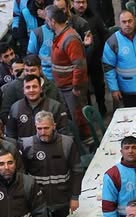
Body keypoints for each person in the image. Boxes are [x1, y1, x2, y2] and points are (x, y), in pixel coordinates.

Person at [19, 110, 82, 217]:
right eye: (39, 128)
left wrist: (75, 197)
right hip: (39, 201)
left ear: (54, 126)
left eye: (46, 128)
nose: (43, 132)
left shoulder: (67, 143)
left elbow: (77, 171)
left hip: (62, 199)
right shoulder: (27, 144)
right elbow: (22, 175)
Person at [45, 6, 89, 142]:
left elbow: (79, 65)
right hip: (64, 86)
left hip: (72, 88)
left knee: (79, 118)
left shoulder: (70, 39)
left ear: (52, 21)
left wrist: (76, 86)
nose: (45, 22)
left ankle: (89, 145)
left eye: (47, 19)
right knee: (71, 118)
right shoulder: (59, 35)